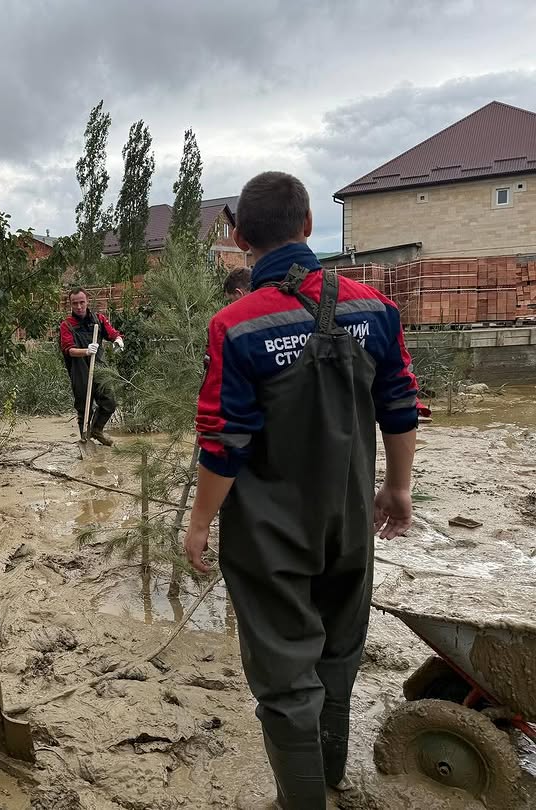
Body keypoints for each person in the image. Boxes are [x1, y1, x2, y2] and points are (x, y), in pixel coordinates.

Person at [183, 173, 418, 810]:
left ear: (238, 239)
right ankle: (331, 774)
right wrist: (397, 489)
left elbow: (224, 441)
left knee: (286, 678)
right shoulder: (376, 309)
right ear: (309, 224)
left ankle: (304, 800)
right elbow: (399, 406)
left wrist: (201, 520)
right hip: (350, 523)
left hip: (269, 536)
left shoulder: (235, 326)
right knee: (339, 653)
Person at [58, 287, 125, 445]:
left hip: (99, 368)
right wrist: (86, 351)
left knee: (109, 402)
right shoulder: (67, 325)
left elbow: (113, 333)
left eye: (82, 302)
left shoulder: (99, 319)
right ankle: (85, 439)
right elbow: (69, 350)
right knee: (83, 407)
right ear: (70, 305)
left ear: (87, 301)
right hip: (79, 370)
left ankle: (97, 430)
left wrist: (118, 340)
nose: (79, 307)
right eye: (75, 304)